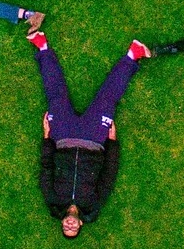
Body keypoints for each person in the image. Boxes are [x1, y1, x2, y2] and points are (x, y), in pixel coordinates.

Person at [29, 31, 151, 238]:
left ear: (62, 223)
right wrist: (112, 142)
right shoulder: (94, 204)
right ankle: (133, 55)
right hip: (94, 140)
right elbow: (108, 175)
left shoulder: (52, 199)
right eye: (73, 228)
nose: (69, 225)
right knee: (108, 99)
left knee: (55, 96)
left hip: (62, 137)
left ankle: (42, 47)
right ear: (80, 225)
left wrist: (46, 136)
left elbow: (46, 166)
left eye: (66, 227)